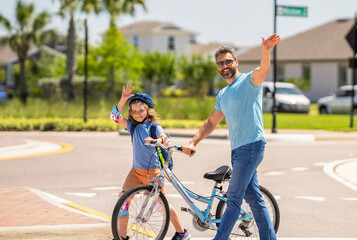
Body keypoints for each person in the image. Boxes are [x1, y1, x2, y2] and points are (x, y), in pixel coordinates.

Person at [182, 34, 281, 240]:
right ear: (218, 67)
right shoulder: (223, 94)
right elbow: (211, 122)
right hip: (238, 151)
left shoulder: (248, 81)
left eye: (228, 61)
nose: (225, 65)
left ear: (236, 62)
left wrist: (265, 51)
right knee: (254, 199)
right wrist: (193, 141)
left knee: (234, 200)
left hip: (251, 146)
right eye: (221, 63)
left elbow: (263, 70)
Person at [111, 85, 191, 240]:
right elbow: (114, 117)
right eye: (134, 111)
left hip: (153, 173)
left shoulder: (153, 126)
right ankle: (121, 237)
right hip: (135, 172)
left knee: (161, 206)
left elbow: (165, 137)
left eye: (141, 111)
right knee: (122, 202)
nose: (137, 114)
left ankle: (181, 233)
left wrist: (157, 140)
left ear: (148, 110)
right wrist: (123, 99)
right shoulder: (132, 127)